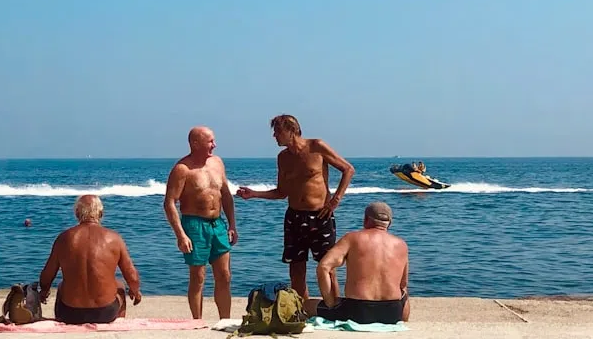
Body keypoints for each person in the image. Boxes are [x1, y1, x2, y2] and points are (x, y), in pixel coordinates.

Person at [236, 114, 355, 301]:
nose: (274, 136)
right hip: (294, 217)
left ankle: (334, 309)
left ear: (292, 131)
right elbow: (281, 192)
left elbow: (348, 169)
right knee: (296, 270)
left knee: (327, 267)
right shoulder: (283, 158)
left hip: (320, 216)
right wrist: (254, 194)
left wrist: (335, 200)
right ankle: (302, 310)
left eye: (278, 131)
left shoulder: (316, 147)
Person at [163, 126, 237, 319]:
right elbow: (170, 202)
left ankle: (225, 320)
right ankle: (197, 321)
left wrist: (232, 224)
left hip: (218, 224)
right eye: (210, 141)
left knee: (225, 275)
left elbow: (226, 195)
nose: (215, 145)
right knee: (198, 277)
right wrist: (181, 235)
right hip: (194, 225)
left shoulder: (217, 163)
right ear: (195, 144)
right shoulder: (182, 169)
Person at [38, 195, 142, 325]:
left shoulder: (64, 238)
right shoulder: (114, 238)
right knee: (120, 286)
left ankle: (61, 319)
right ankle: (118, 323)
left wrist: (44, 291)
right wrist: (135, 291)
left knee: (61, 286)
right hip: (105, 313)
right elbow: (132, 276)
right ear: (101, 213)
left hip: (70, 314)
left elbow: (47, 276)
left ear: (77, 213)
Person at [314, 201, 410, 324]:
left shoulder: (352, 238)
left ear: (366, 219)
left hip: (358, 311)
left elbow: (323, 267)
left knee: (308, 305)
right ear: (389, 223)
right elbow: (403, 285)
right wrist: (402, 315)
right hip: (392, 313)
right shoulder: (401, 245)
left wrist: (330, 303)